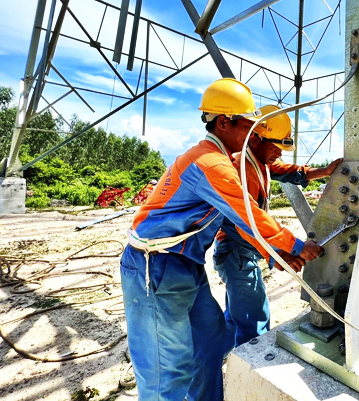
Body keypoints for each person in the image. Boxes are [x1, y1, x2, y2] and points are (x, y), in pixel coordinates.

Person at [120, 80, 324, 401]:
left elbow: (267, 185)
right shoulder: (210, 162)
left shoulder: (226, 158)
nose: (252, 136)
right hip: (154, 266)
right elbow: (245, 211)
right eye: (247, 127)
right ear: (224, 122)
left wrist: (275, 249)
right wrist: (293, 246)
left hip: (185, 265)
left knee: (212, 337)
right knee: (167, 370)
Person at [213, 104, 343, 353]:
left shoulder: (259, 160)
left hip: (240, 251)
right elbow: (246, 224)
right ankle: (252, 362)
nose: (279, 154)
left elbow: (287, 172)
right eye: (276, 147)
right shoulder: (241, 167)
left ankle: (231, 355)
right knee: (254, 316)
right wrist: (280, 253)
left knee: (237, 311)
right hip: (236, 250)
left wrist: (324, 171)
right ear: (256, 138)